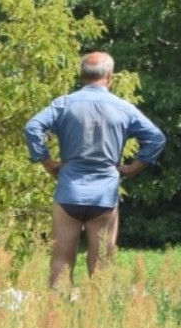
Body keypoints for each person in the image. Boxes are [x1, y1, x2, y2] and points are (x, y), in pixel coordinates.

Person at [24, 51, 166, 292]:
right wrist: (134, 167)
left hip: (69, 190)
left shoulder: (64, 104)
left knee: (61, 262)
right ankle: (96, 318)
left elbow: (32, 127)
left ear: (81, 76)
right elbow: (156, 137)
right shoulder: (123, 108)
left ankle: (56, 318)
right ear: (109, 76)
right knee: (102, 265)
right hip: (104, 196)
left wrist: (46, 161)